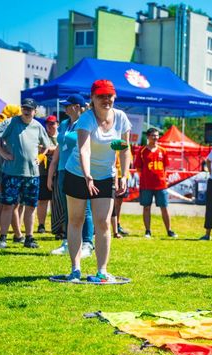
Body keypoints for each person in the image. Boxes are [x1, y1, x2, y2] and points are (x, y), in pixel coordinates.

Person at [63, 80, 131, 282]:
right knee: (76, 220)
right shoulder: (86, 119)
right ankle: (75, 269)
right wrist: (87, 175)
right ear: (92, 98)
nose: (106, 100)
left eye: (109, 96)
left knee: (103, 222)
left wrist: (124, 174)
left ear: (114, 97)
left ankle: (102, 270)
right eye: (101, 96)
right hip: (78, 173)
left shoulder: (121, 118)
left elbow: (124, 148)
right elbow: (84, 149)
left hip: (105, 176)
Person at [0, 98, 50, 249]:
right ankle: (2, 238)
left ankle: (29, 238)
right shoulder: (11, 122)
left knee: (30, 207)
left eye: (30, 109)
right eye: (24, 108)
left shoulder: (38, 126)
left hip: (32, 174)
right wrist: (2, 152)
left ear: (35, 111)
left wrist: (41, 157)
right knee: (8, 206)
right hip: (11, 173)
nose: (27, 111)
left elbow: (46, 145)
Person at [47, 94, 94, 258]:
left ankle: (87, 243)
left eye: (68, 105)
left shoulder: (86, 123)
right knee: (68, 208)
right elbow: (59, 148)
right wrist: (52, 171)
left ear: (77, 107)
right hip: (63, 169)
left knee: (85, 209)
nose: (65, 108)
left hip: (80, 170)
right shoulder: (64, 124)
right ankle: (68, 242)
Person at [134, 128, 177, 239]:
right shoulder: (142, 151)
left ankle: (169, 230)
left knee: (164, 207)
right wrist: (146, 177)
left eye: (157, 135)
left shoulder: (163, 150)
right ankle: (148, 231)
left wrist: (162, 178)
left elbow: (165, 167)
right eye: (153, 135)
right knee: (146, 207)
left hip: (161, 185)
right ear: (148, 137)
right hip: (146, 185)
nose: (155, 137)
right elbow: (138, 168)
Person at [36, 115, 58, 234]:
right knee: (42, 200)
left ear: (57, 124)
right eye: (48, 124)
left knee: (56, 201)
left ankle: (56, 224)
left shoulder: (60, 136)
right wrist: (54, 149)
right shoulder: (42, 136)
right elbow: (41, 149)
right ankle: (41, 225)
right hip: (43, 172)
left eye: (52, 123)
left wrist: (51, 149)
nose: (50, 126)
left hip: (57, 173)